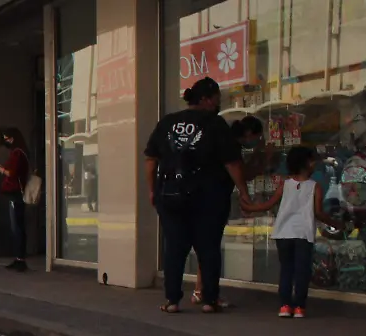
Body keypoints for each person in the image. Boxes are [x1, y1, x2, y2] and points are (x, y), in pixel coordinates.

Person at [144, 76, 251, 314]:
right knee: (208, 248)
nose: (217, 105)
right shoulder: (215, 124)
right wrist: (243, 192)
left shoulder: (167, 123)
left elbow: (151, 161)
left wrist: (153, 190)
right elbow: (232, 163)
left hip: (171, 196)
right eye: (216, 100)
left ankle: (172, 300)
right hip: (208, 198)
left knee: (174, 249)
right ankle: (210, 301)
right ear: (205, 99)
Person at [241, 146, 336, 318]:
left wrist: (250, 207)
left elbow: (268, 205)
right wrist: (336, 223)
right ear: (307, 163)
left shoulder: (285, 185)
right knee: (302, 271)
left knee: (286, 269)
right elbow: (319, 213)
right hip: (303, 234)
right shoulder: (315, 187)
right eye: (312, 160)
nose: (315, 163)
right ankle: (299, 306)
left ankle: (285, 306)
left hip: (283, 233)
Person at [192, 114, 266, 307]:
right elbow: (242, 174)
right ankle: (207, 294)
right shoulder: (230, 147)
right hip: (214, 200)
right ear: (249, 134)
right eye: (257, 136)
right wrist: (262, 158)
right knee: (210, 248)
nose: (256, 140)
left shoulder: (223, 144)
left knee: (205, 246)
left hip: (201, 198)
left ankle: (200, 291)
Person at [0, 127, 31, 272]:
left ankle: (20, 259)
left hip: (16, 193)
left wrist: (1, 170)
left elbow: (12, 173)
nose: (6, 141)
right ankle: (19, 258)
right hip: (17, 193)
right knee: (17, 226)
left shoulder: (17, 153)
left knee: (17, 226)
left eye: (8, 138)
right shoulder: (22, 151)